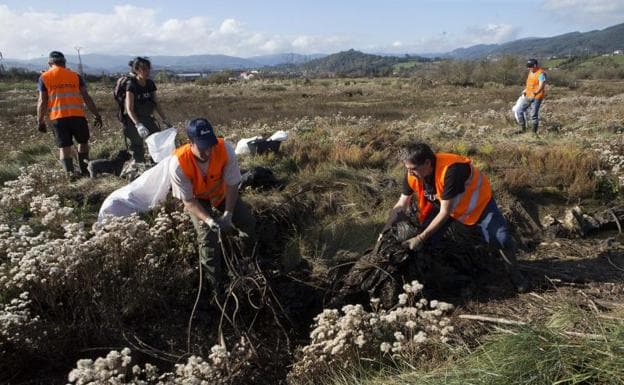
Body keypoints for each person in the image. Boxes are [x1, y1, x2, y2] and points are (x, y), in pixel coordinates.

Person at [384, 142, 528, 292]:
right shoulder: (412, 172)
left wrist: (420, 238)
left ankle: (515, 275)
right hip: (442, 206)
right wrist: (385, 231)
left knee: (500, 238)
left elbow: (445, 212)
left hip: (478, 206)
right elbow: (402, 204)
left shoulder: (452, 169)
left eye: (413, 169)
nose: (410, 173)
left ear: (427, 162)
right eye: (407, 169)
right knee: (426, 245)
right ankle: (431, 282)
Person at [169, 117, 256, 297]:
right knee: (208, 238)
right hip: (198, 198)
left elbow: (232, 185)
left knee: (247, 221)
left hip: (221, 192)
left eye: (210, 145)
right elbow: (188, 201)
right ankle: (215, 287)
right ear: (190, 142)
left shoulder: (225, 149)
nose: (208, 151)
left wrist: (228, 214)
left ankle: (244, 263)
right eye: (202, 147)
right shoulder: (178, 164)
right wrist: (208, 220)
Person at [37, 51, 102, 176]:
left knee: (64, 147)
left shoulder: (44, 77)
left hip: (58, 118)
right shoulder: (75, 76)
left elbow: (42, 101)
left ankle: (70, 175)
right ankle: (85, 172)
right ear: (64, 62)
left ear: (50, 63)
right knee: (83, 143)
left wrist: (40, 121)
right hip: (77, 116)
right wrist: (96, 115)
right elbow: (86, 97)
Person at [122, 57, 171, 162]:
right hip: (133, 121)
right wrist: (138, 125)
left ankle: (156, 165)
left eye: (148, 68)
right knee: (137, 146)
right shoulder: (131, 85)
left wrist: (165, 119)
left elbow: (156, 103)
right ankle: (139, 168)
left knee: (157, 141)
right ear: (136, 70)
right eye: (143, 69)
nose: (147, 71)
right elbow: (129, 108)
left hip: (148, 118)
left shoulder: (150, 84)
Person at [516, 58, 547, 134]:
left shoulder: (541, 74)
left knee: (533, 115)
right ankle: (523, 129)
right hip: (528, 95)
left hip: (536, 97)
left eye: (530, 66)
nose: (529, 68)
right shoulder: (530, 72)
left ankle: (533, 133)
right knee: (518, 110)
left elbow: (541, 85)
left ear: (535, 65)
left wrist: (536, 92)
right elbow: (530, 83)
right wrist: (525, 90)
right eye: (528, 66)